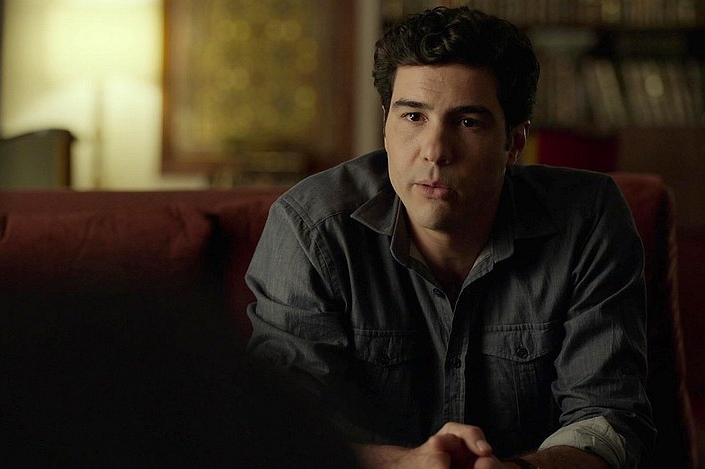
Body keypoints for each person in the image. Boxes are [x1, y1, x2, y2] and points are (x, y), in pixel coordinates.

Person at [246, 6, 654, 468]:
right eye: (413, 117)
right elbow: (281, 428)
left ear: (514, 142)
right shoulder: (311, 228)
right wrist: (403, 466)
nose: (435, 151)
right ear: (385, 125)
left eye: (468, 122)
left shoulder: (588, 218)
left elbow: (608, 420)